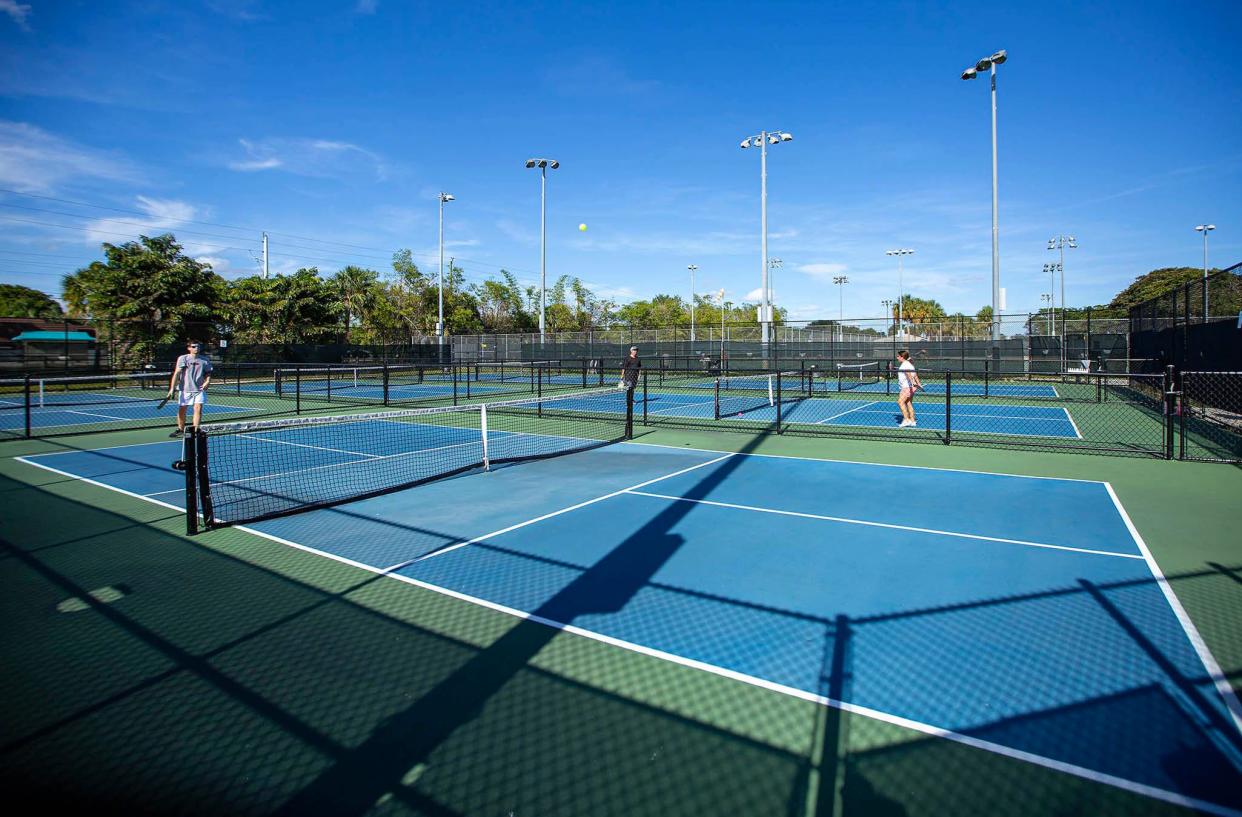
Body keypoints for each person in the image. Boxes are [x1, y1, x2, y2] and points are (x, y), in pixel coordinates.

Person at [167, 340, 212, 437]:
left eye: (198, 346)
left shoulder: (205, 360)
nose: (196, 348)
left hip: (199, 389)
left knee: (198, 408)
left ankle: (196, 429)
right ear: (189, 348)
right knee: (182, 409)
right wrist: (172, 389)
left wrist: (207, 381)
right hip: (185, 389)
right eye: (194, 346)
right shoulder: (183, 358)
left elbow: (208, 372)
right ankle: (180, 429)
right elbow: (177, 373)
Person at [895, 349, 922, 427]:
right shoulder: (909, 364)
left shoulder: (904, 365)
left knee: (900, 402)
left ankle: (906, 419)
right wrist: (918, 383)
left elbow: (908, 374)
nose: (897, 358)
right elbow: (915, 374)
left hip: (906, 387)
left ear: (902, 357)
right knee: (908, 403)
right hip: (910, 387)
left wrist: (913, 382)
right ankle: (913, 421)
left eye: (898, 356)